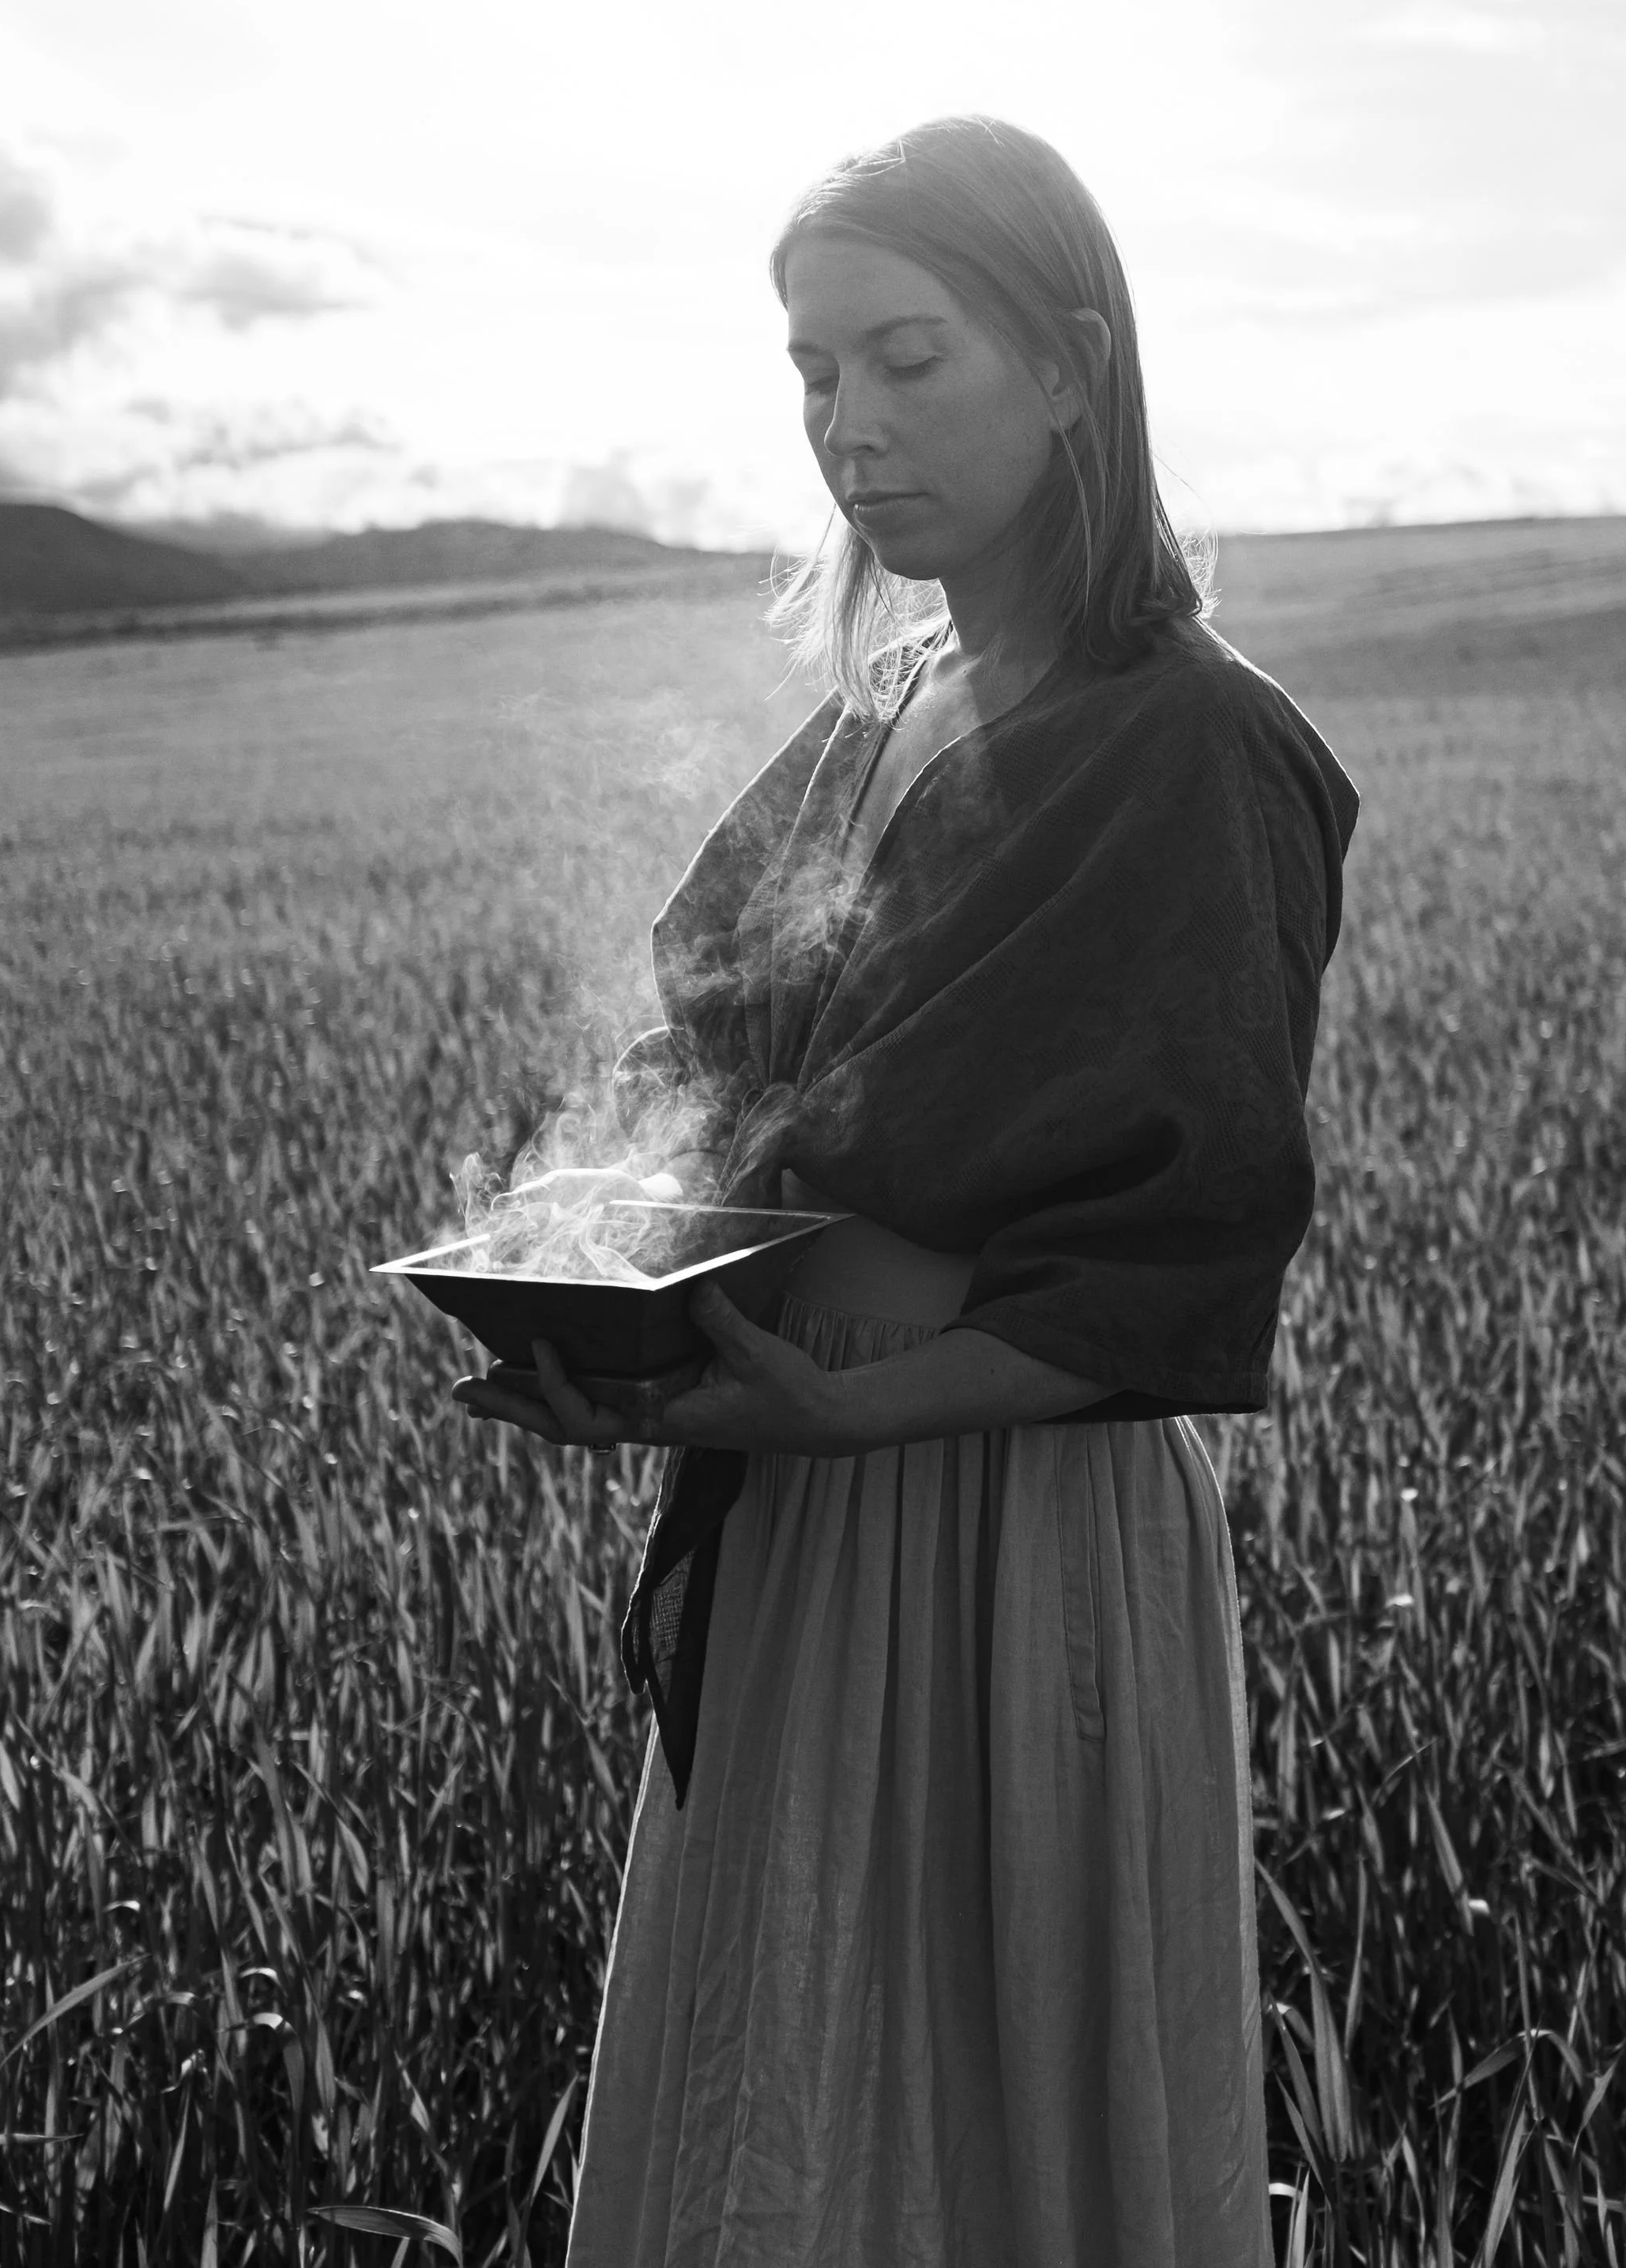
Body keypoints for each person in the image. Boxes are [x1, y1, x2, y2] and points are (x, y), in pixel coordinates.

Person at [456, 116, 1357, 2268]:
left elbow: (1186, 1236)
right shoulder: (873, 722)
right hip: (799, 1502)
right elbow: (710, 1057)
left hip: (999, 1515)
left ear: (1070, 365)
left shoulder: (1196, 749)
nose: (847, 425)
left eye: (905, 356)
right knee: (791, 2073)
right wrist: (597, 1279)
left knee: (979, 2100)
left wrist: (844, 1404)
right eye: (809, 371)